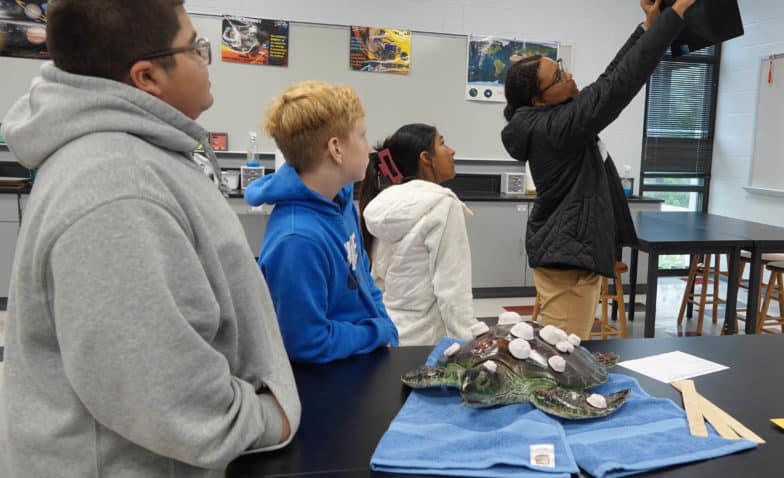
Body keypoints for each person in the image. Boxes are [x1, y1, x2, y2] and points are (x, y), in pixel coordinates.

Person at [0, 1, 299, 475]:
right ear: (146, 77)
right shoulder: (118, 187)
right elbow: (168, 397)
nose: (207, 59)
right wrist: (268, 418)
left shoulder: (139, 155)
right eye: (196, 47)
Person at [501, 0, 694, 339]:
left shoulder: (549, 120)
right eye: (559, 77)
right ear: (539, 100)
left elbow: (609, 79)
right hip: (568, 259)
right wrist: (674, 14)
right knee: (562, 355)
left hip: (567, 252)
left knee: (562, 349)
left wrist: (647, 28)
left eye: (561, 66)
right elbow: (617, 88)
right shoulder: (557, 127)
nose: (569, 75)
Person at [245, 80, 399, 363]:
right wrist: (375, 333)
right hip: (326, 383)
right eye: (362, 136)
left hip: (358, 359)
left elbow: (363, 273)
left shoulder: (339, 200)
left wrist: (384, 327)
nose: (369, 148)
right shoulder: (297, 241)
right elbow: (306, 342)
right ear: (336, 149)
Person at [359, 124, 479, 346]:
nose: (451, 151)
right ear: (426, 158)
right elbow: (453, 289)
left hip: (389, 333)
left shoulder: (384, 204)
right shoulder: (443, 205)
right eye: (442, 143)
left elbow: (377, 280)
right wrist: (467, 344)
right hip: (427, 340)